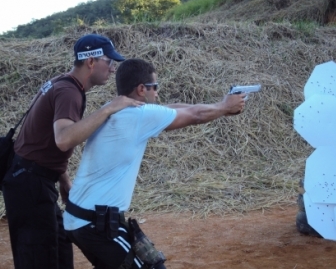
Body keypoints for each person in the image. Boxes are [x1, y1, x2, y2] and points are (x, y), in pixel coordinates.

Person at [63, 58, 246, 269]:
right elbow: (194, 115)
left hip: (81, 218)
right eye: (155, 87)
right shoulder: (140, 115)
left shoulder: (117, 109)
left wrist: (220, 106)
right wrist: (224, 107)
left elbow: (172, 108)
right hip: (95, 225)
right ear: (142, 89)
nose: (157, 93)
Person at [2, 34, 143, 269]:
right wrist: (108, 109)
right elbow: (64, 139)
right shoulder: (69, 92)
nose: (111, 69)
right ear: (91, 62)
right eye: (109, 62)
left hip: (30, 179)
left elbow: (40, 142)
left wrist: (63, 178)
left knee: (58, 247)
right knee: (40, 258)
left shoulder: (61, 82)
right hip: (30, 184)